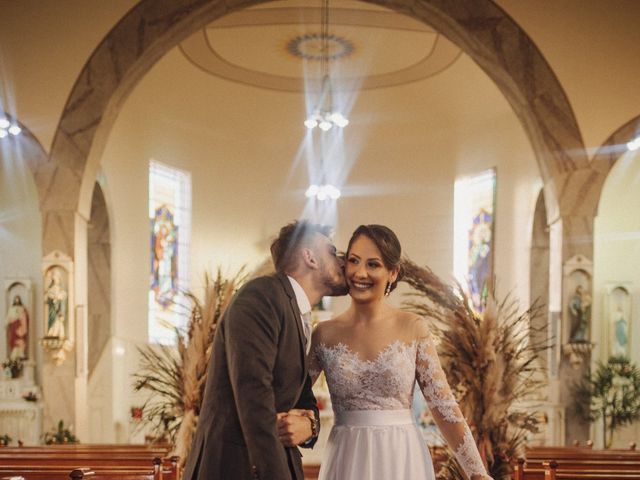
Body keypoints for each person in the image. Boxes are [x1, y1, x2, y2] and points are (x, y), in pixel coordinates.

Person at [308, 224, 492, 480]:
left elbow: (444, 406)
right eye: (353, 261)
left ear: (393, 272)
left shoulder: (413, 327)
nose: (360, 272)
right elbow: (293, 397)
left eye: (373, 264)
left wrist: (477, 473)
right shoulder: (323, 333)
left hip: (401, 457)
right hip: (347, 457)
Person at [182, 220, 348, 480]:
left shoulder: (295, 310)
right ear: (310, 257)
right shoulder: (261, 297)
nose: (342, 261)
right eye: (331, 251)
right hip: (234, 466)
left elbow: (300, 396)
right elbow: (254, 396)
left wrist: (310, 425)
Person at [44, 269, 68, 338]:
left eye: (57, 277)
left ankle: (57, 333)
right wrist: (52, 299)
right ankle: (51, 333)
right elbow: (47, 299)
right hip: (52, 310)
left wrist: (58, 299)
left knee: (58, 321)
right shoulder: (50, 289)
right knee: (52, 319)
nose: (56, 279)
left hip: (59, 310)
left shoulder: (61, 290)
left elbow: (63, 299)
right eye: (54, 277)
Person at [6, 295, 29, 360]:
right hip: (14, 326)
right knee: (13, 339)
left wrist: (22, 317)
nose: (17, 300)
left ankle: (21, 353)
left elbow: (25, 318)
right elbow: (9, 317)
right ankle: (14, 354)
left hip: (20, 326)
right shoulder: (11, 308)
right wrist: (7, 322)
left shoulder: (22, 308)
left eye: (18, 299)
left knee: (20, 339)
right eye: (15, 299)